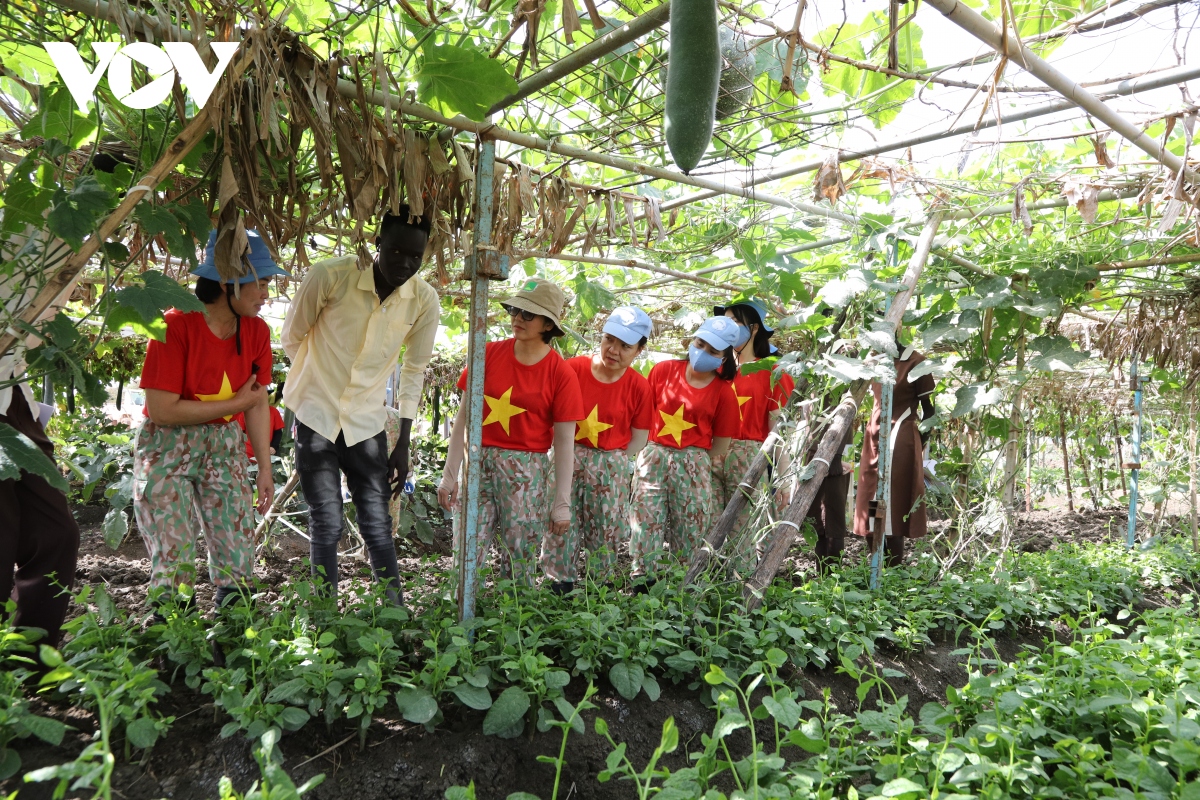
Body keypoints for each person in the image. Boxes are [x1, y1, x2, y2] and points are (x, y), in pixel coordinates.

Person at [281, 207, 439, 606]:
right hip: (316, 416)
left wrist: (403, 441)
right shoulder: (331, 276)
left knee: (377, 521)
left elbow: (414, 369)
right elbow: (292, 337)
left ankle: (394, 612)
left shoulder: (423, 300)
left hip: (366, 423)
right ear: (377, 243)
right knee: (327, 519)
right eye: (396, 251)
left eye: (415, 256)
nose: (405, 264)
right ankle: (324, 612)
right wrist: (316, 384)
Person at [134, 229, 286, 612]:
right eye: (261, 284)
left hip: (224, 444)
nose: (266, 294)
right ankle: (172, 633)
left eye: (267, 285)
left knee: (237, 541)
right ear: (227, 282)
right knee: (173, 549)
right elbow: (163, 410)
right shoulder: (175, 326)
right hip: (167, 445)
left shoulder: (257, 331)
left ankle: (233, 628)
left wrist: (264, 467)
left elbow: (256, 403)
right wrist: (234, 403)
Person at [437, 278, 584, 585]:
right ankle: (459, 610)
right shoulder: (486, 353)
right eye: (514, 310)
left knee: (520, 555)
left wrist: (561, 502)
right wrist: (450, 474)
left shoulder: (561, 373)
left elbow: (564, 443)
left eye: (528, 314)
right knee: (466, 549)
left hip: (526, 473)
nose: (517, 318)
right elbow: (462, 419)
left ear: (548, 324)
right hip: (477, 462)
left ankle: (515, 614)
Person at [0, 232, 81, 648]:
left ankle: (29, 655)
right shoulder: (20, 225)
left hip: (11, 393)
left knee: (56, 532)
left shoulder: (65, 233)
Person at [630, 316, 741, 581]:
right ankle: (643, 583)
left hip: (694, 464)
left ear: (724, 357)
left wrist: (692, 457)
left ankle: (683, 586)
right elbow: (642, 416)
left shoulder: (724, 393)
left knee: (691, 529)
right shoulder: (663, 371)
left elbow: (721, 444)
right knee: (645, 521)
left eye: (713, 351)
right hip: (653, 457)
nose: (702, 352)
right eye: (700, 344)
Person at [556, 307, 655, 589]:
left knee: (605, 528)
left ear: (639, 350)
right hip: (567, 456)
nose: (613, 350)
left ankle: (600, 588)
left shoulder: (639, 387)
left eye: (625, 346)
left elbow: (639, 437)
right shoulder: (572, 369)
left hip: (610, 464)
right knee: (560, 523)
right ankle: (558, 584)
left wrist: (613, 460)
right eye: (609, 339)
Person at [714, 299, 795, 569]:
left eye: (736, 321)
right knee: (707, 527)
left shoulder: (772, 371)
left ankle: (740, 587)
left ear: (755, 328)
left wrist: (783, 479)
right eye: (726, 321)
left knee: (743, 533)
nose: (730, 327)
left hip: (749, 458)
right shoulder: (714, 370)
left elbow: (778, 430)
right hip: (710, 455)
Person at [853, 336, 936, 567]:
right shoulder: (874, 360)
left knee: (894, 503)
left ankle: (893, 570)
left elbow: (929, 412)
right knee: (871, 498)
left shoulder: (916, 362)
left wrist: (917, 442)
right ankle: (875, 565)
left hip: (901, 439)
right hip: (873, 437)